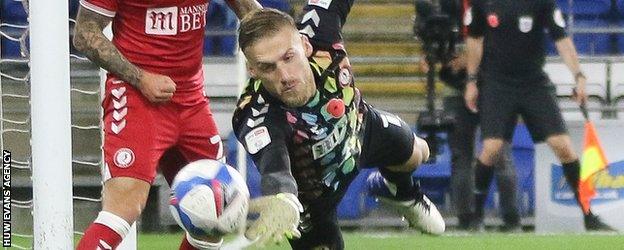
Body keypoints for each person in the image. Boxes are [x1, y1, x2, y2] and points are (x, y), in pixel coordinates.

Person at [233, 7, 446, 249]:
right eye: (268, 67)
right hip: (313, 192)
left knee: (420, 152)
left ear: (304, 44)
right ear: (253, 70)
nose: (284, 75)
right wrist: (283, 198)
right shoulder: (254, 115)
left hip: (360, 129)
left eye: (288, 57)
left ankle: (399, 191)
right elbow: (274, 168)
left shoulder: (320, 28)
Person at [72, 0, 261, 248]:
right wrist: (140, 78)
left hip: (190, 98)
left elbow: (252, 13)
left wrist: (266, 53)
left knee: (214, 214)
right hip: (134, 96)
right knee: (124, 208)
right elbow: (85, 33)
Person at [464, 0, 614, 231]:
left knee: (563, 146)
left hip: (533, 82)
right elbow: (474, 39)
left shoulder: (542, 2)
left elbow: (561, 38)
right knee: (491, 148)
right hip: (496, 83)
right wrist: (472, 80)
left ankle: (589, 215)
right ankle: (476, 216)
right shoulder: (483, 3)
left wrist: (579, 75)